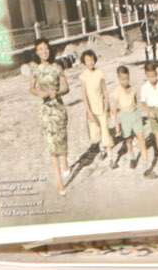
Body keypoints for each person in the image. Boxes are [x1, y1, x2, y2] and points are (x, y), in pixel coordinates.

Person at [21, 40, 72, 191]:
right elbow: (31, 88)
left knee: (61, 139)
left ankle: (65, 162)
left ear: (50, 50)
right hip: (45, 110)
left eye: (46, 48)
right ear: (37, 52)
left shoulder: (57, 67)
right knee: (51, 144)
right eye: (40, 49)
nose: (44, 52)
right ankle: (60, 182)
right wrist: (39, 93)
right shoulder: (35, 69)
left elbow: (66, 87)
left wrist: (58, 92)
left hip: (58, 108)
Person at [135, 61, 158, 176]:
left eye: (154, 76)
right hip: (152, 112)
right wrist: (149, 111)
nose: (152, 79)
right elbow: (143, 101)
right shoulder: (145, 88)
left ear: (157, 73)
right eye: (150, 76)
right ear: (146, 76)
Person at [76, 50, 112, 162]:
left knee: (105, 129)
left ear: (95, 60)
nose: (90, 63)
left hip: (101, 106)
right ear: (84, 62)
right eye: (87, 61)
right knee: (96, 130)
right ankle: (102, 149)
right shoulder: (83, 76)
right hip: (91, 109)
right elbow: (84, 96)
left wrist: (108, 105)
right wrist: (89, 112)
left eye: (91, 60)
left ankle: (110, 155)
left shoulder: (100, 73)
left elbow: (104, 90)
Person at [109, 64, 141, 168]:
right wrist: (116, 124)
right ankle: (132, 157)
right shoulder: (117, 91)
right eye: (123, 79)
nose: (125, 81)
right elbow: (114, 109)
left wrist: (137, 116)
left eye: (127, 79)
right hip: (125, 117)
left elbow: (135, 103)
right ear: (119, 79)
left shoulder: (133, 89)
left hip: (134, 115)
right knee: (129, 139)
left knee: (140, 136)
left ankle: (143, 153)